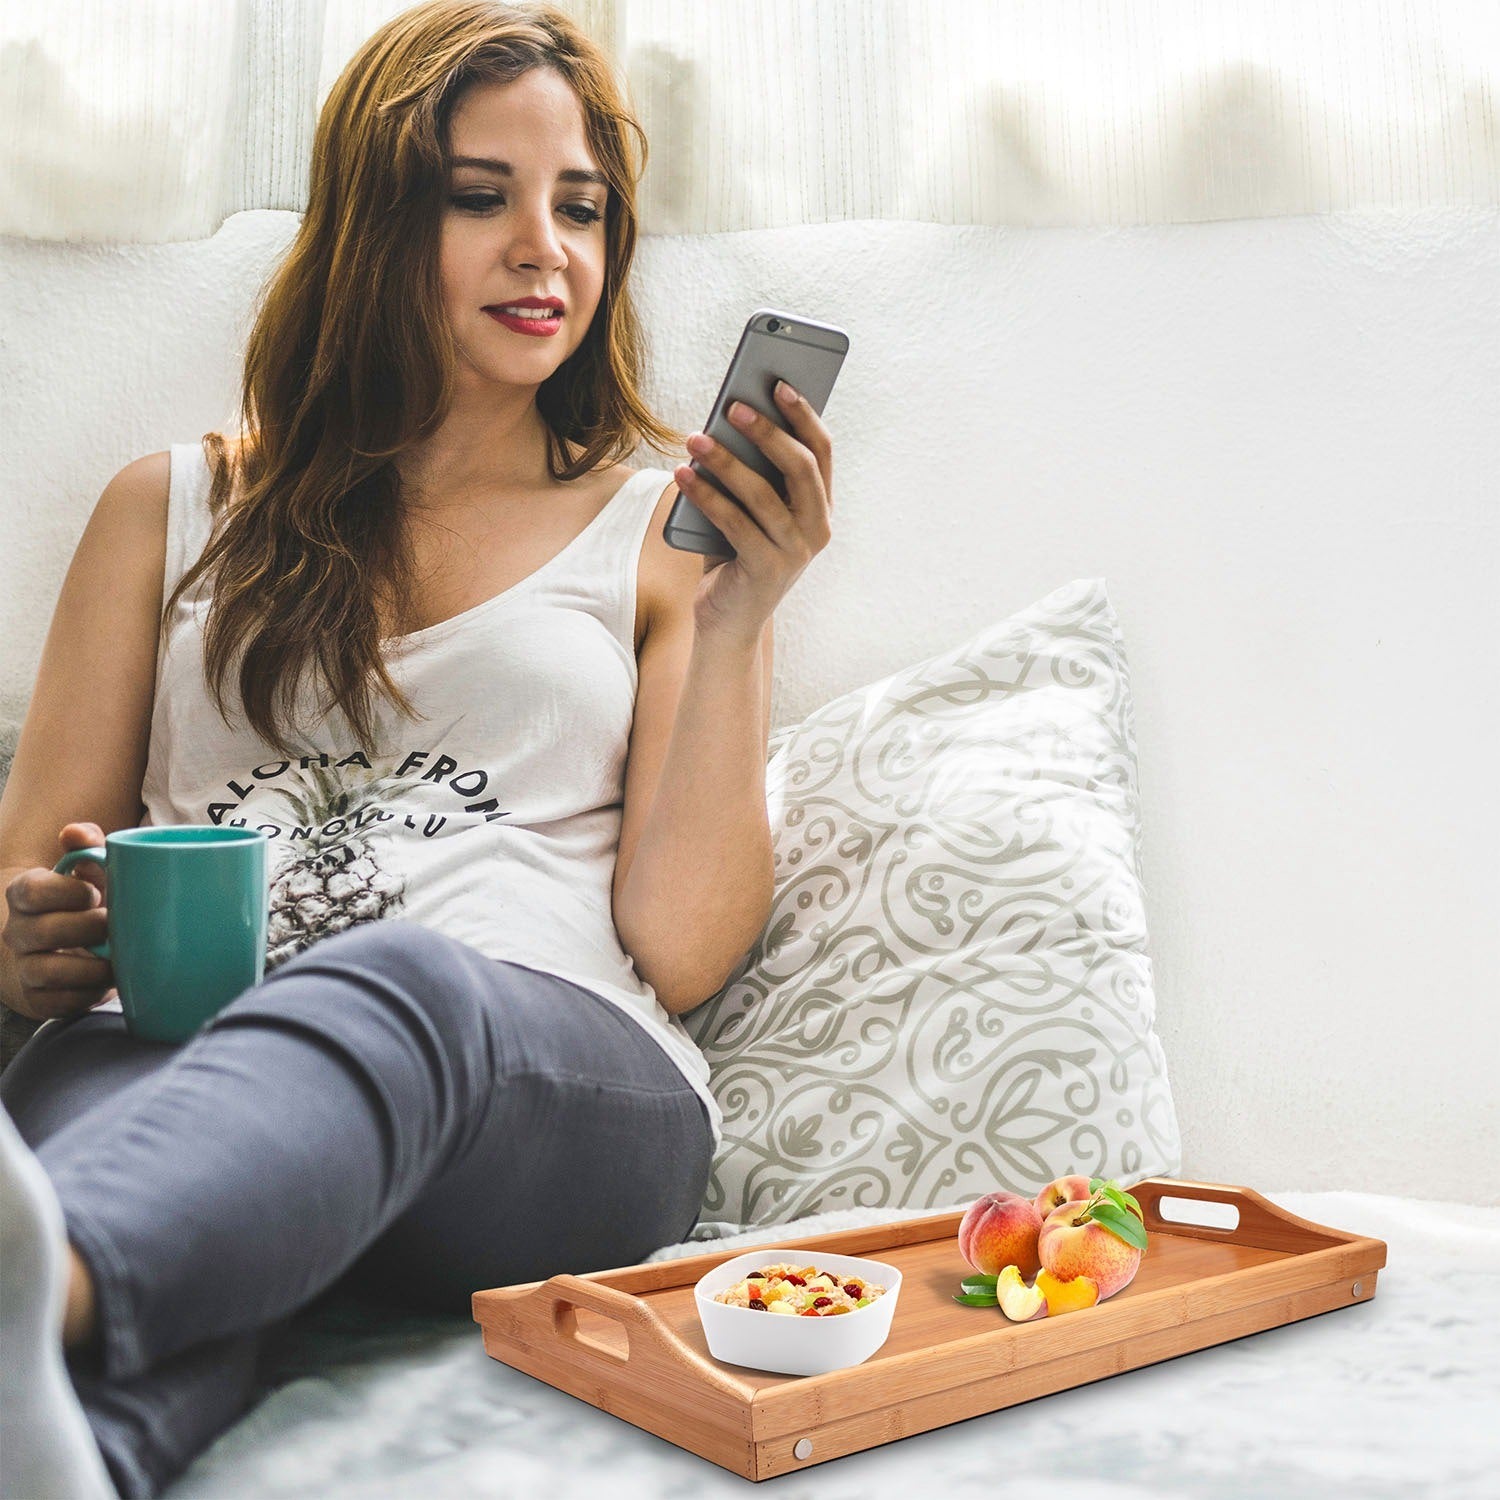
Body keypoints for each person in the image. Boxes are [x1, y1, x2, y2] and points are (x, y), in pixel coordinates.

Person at [0, 3, 835, 1495]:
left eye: (580, 206)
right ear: (374, 222)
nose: (546, 248)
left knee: (395, 989)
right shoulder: (167, 512)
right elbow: (29, 881)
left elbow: (684, 943)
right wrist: (36, 936)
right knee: (186, 1196)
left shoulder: (656, 532)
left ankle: (43, 1280)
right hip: (179, 1054)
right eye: (481, 197)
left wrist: (742, 613)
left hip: (532, 1075)